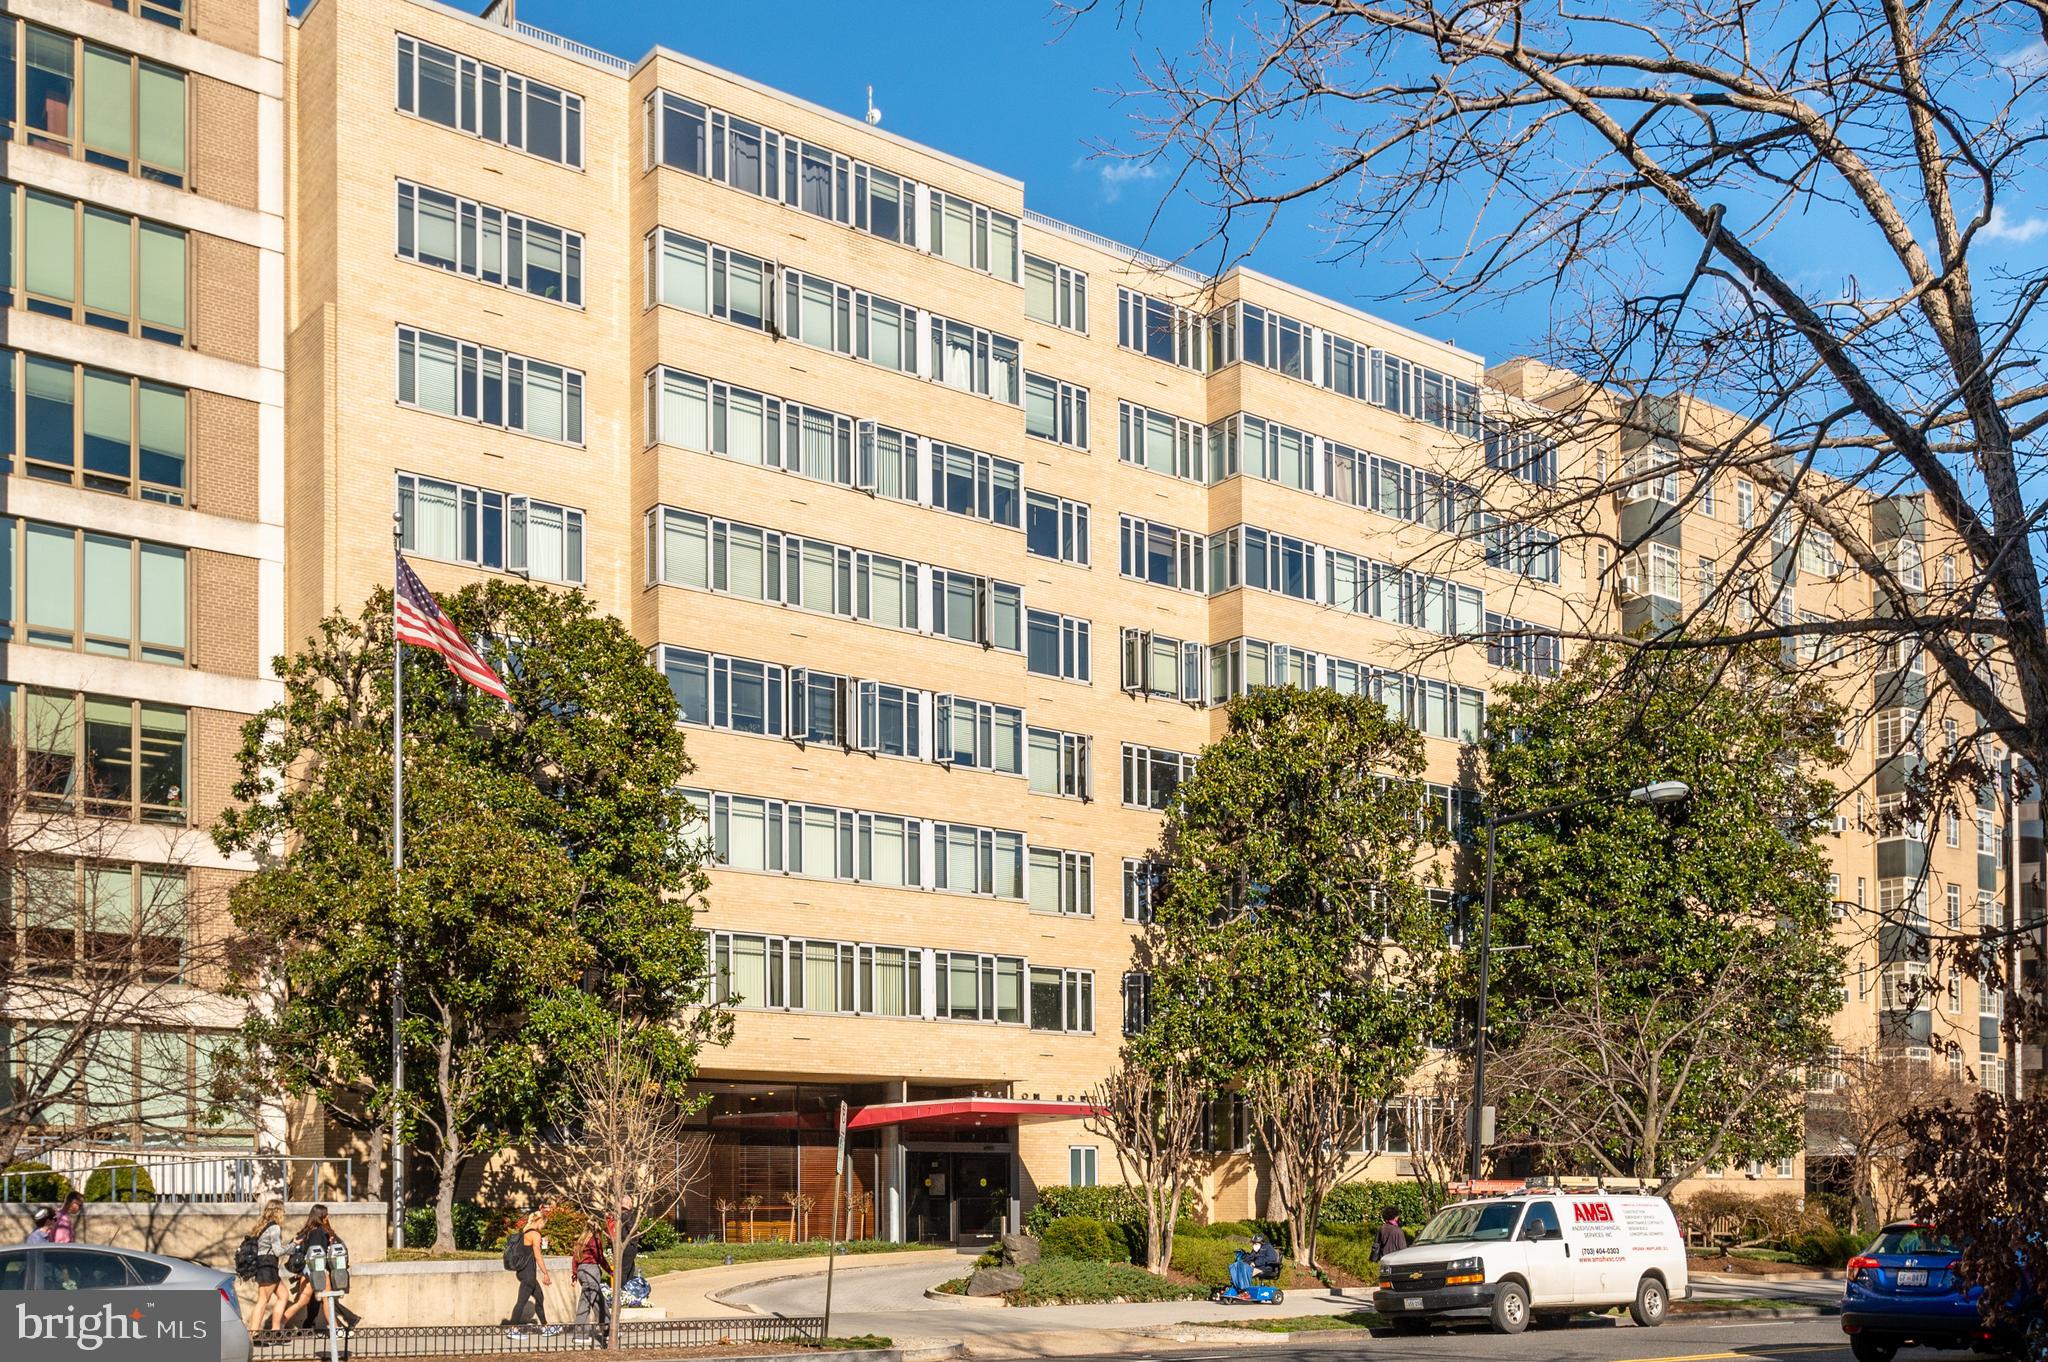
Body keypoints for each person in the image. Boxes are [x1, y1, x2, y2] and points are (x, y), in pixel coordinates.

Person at [504, 1211, 559, 1339]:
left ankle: (545, 1327)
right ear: (539, 1221)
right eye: (544, 1223)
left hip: (525, 1273)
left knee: (539, 1298)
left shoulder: (526, 1232)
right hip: (528, 1274)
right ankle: (513, 1329)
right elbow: (538, 1256)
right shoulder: (535, 1234)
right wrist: (545, 1273)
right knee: (521, 1302)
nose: (544, 1227)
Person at [245, 1200, 290, 1339]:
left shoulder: (262, 1227)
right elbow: (277, 1251)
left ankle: (276, 1332)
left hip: (264, 1266)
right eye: (282, 1211)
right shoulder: (274, 1228)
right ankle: (254, 1334)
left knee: (284, 1296)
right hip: (268, 1266)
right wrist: (292, 1247)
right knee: (263, 1300)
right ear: (278, 1211)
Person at [571, 1222, 610, 1343]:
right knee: (585, 1302)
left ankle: (608, 1331)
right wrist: (610, 1271)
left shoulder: (581, 1241)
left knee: (599, 1302)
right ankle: (580, 1335)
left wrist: (574, 1274)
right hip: (591, 1271)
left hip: (582, 1271)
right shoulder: (595, 1241)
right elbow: (600, 1258)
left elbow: (575, 1259)